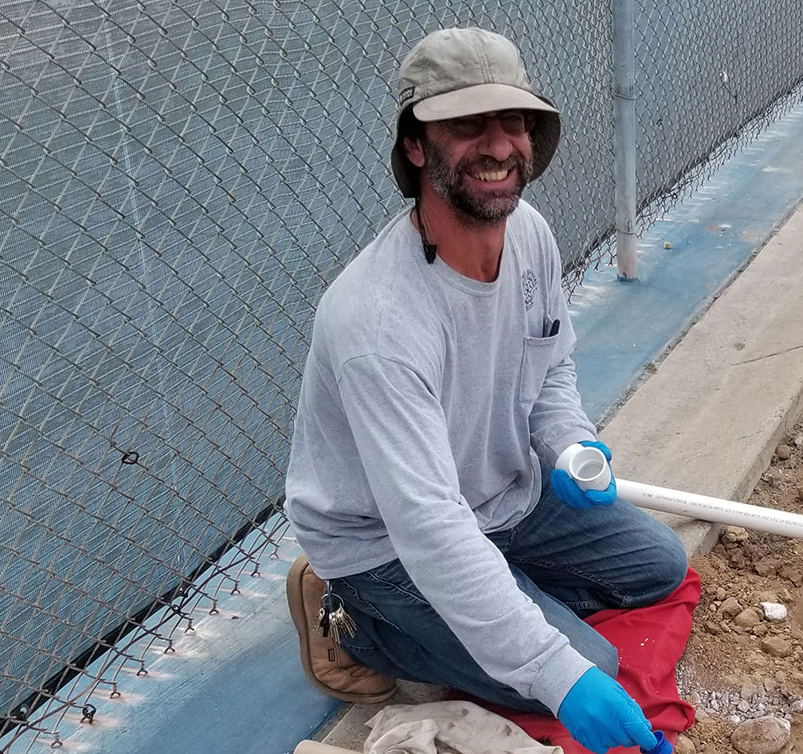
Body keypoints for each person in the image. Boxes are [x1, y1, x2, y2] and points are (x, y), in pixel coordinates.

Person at [281, 27, 688, 754]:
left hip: (503, 497)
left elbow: (552, 364)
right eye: (467, 125)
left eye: (513, 121)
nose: (497, 146)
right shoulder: (379, 322)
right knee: (583, 665)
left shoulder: (528, 232)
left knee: (660, 568)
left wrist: (567, 444)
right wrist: (556, 674)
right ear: (416, 146)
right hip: (387, 545)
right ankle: (355, 620)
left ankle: (495, 593)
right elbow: (430, 527)